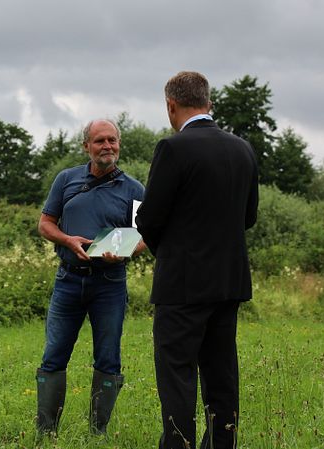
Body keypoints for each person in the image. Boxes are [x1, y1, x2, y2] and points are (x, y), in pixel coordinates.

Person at [135, 71, 259, 449]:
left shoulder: (173, 149)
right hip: (228, 282)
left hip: (183, 286)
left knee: (177, 375)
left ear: (171, 105)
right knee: (222, 374)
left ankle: (179, 445)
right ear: (208, 102)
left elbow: (148, 219)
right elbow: (249, 217)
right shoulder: (242, 149)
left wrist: (169, 250)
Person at [35, 118, 146, 436]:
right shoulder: (66, 180)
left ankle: (98, 433)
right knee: (54, 354)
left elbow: (145, 236)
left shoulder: (135, 189)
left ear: (119, 145)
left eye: (112, 140)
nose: (107, 146)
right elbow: (46, 224)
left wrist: (125, 252)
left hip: (110, 284)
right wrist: (67, 240)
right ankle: (46, 433)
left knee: (108, 357)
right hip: (68, 280)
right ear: (86, 146)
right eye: (100, 141)